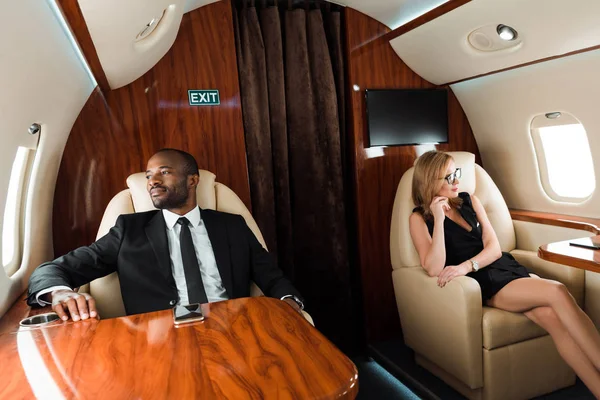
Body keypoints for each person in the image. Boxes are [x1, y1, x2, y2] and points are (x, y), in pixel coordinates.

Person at [27, 148, 304, 322]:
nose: (152, 181)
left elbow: (273, 278)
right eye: (148, 175)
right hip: (160, 337)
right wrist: (61, 294)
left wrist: (290, 305)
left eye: (164, 172)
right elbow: (52, 270)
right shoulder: (128, 230)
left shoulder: (232, 226)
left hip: (231, 327)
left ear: (192, 180)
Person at [409, 150, 600, 397]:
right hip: (486, 282)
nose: (456, 181)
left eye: (456, 173)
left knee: (552, 318)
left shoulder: (470, 200)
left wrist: (467, 265)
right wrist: (438, 218)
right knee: (557, 290)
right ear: (430, 181)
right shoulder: (419, 218)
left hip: (503, 267)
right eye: (448, 177)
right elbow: (434, 267)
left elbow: (495, 249)